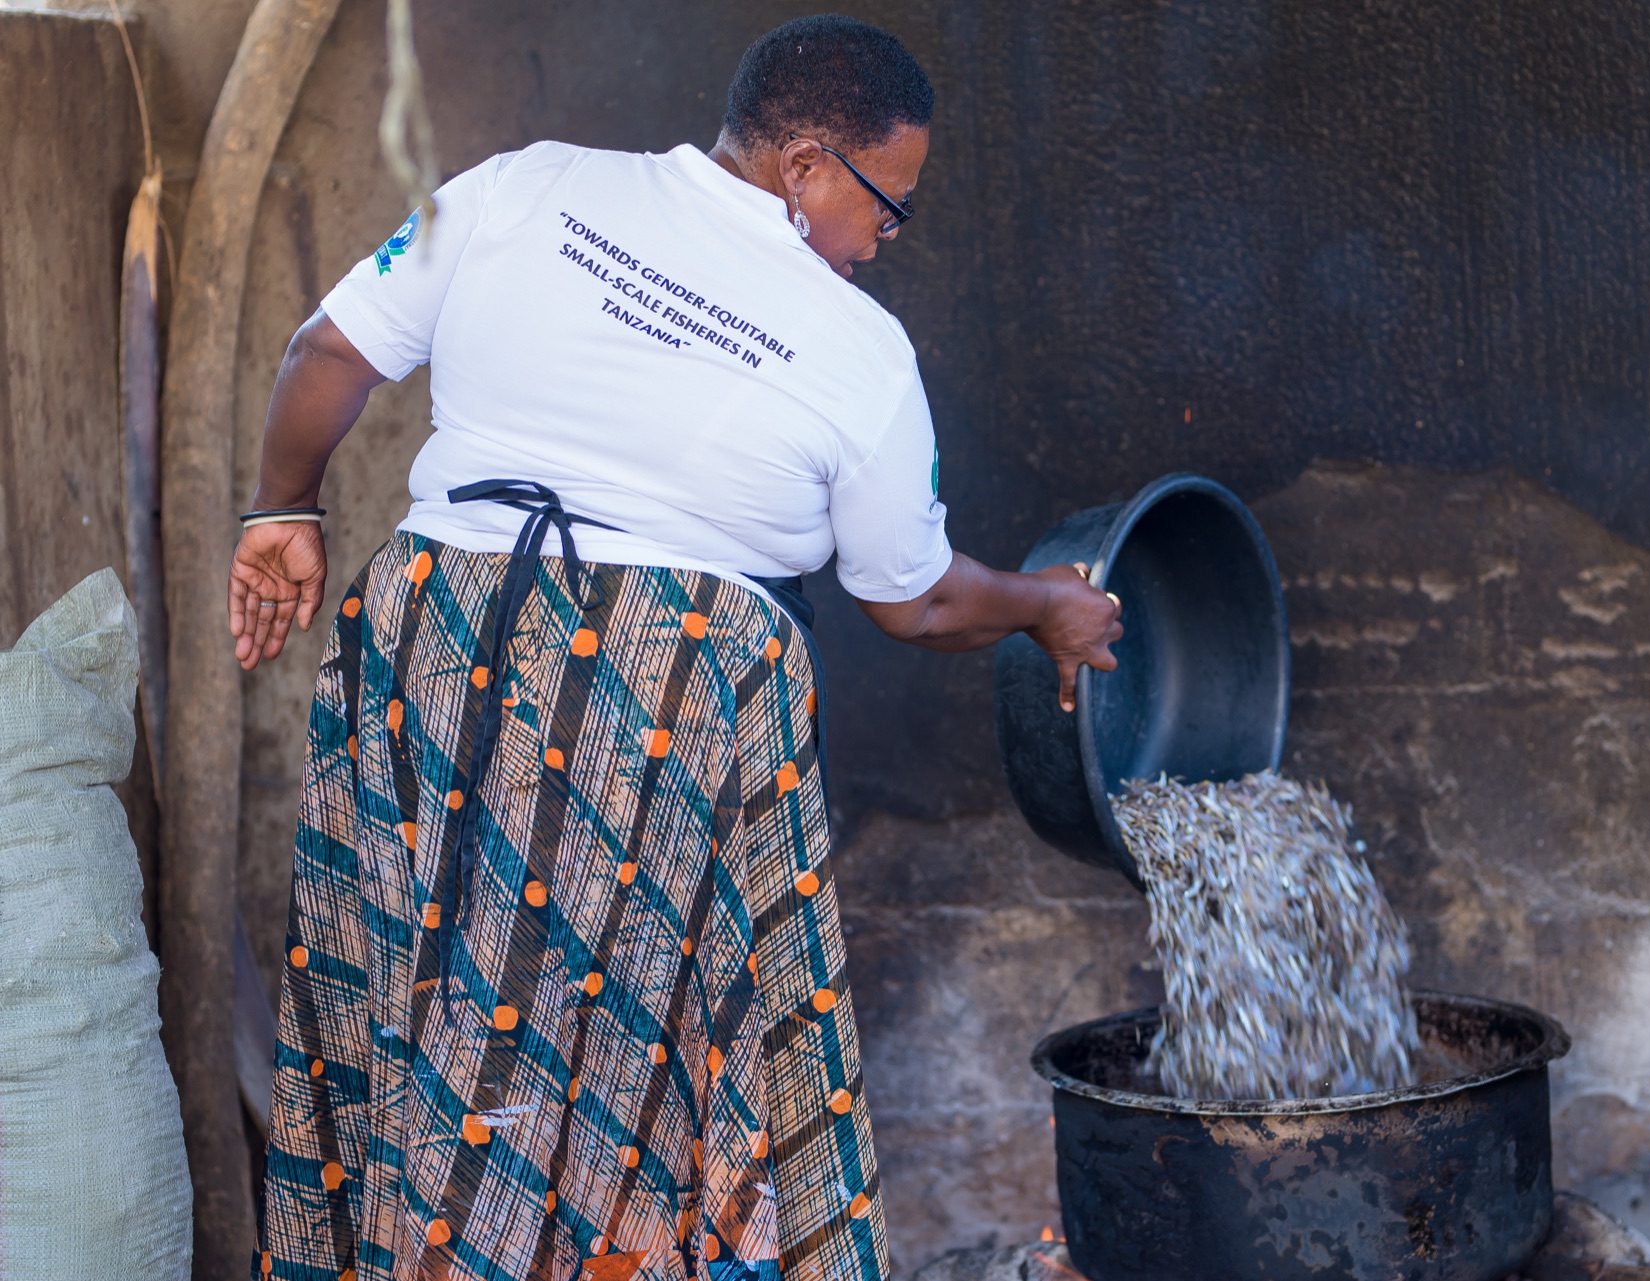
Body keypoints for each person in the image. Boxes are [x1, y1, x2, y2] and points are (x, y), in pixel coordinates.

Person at [228, 15, 1121, 1281]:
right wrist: (1043, 605)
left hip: (438, 638)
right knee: (646, 1063)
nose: (886, 239)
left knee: (442, 1007)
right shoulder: (859, 350)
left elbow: (327, 350)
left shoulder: (524, 183)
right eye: (888, 205)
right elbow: (914, 602)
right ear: (805, 165)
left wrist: (283, 509)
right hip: (668, 691)